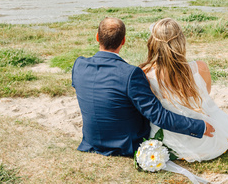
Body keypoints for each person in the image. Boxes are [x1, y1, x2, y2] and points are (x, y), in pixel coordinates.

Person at [71, 17, 215, 157]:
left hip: (90, 142)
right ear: (123, 41)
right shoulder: (130, 74)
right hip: (124, 146)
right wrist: (199, 127)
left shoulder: (79, 65)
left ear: (97, 37)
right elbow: (158, 115)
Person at [139, 18, 228, 162]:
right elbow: (205, 93)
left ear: (154, 43)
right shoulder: (200, 67)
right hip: (207, 135)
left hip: (171, 138)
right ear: (181, 42)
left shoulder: (145, 75)